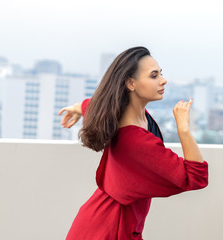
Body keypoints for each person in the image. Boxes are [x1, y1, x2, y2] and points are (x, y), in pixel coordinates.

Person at [57, 46, 209, 240]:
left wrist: (80, 107)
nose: (163, 80)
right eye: (154, 76)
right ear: (130, 83)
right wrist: (184, 129)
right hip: (110, 230)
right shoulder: (135, 140)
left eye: (161, 74)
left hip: (109, 222)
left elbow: (99, 105)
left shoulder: (125, 115)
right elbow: (196, 177)